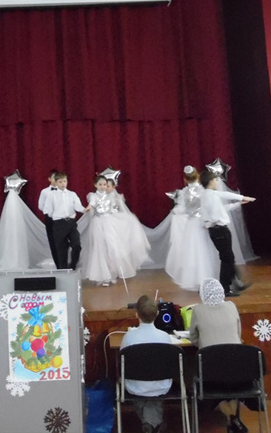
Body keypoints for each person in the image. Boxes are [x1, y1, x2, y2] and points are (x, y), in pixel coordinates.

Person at [188, 278, 247, 433]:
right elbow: (238, 334)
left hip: (211, 369)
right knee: (232, 387)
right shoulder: (232, 306)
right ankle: (233, 421)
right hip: (237, 367)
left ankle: (232, 419)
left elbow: (193, 338)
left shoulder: (198, 310)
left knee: (213, 387)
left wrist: (205, 345)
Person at [120, 295, 173, 433]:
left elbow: (122, 363)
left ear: (136, 314)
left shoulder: (128, 337)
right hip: (161, 386)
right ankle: (153, 423)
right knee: (153, 391)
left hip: (136, 387)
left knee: (141, 389)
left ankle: (150, 423)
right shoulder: (165, 337)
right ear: (157, 313)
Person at [199, 170, 255, 296]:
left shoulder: (208, 195)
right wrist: (242, 198)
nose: (216, 182)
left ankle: (235, 283)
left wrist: (239, 203)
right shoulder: (210, 196)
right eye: (215, 180)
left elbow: (222, 207)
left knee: (228, 257)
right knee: (227, 259)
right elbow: (223, 200)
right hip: (219, 229)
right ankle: (225, 287)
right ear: (210, 181)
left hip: (217, 229)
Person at [165, 166, 218, 291]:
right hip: (202, 223)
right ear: (198, 176)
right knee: (205, 249)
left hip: (191, 224)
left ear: (185, 179)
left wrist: (174, 211)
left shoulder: (184, 192)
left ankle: (196, 279)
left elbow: (182, 209)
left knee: (193, 251)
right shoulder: (203, 190)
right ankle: (207, 277)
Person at [82, 175, 128, 285]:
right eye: (100, 184)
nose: (103, 186)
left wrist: (119, 200)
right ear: (95, 185)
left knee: (111, 247)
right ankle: (103, 276)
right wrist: (89, 207)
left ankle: (112, 272)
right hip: (98, 223)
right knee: (100, 247)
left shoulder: (110, 196)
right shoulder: (93, 196)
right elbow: (92, 203)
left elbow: (114, 208)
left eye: (104, 184)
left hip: (108, 222)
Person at [43, 171, 85, 269]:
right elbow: (48, 210)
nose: (63, 184)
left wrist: (83, 210)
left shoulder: (72, 194)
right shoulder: (52, 196)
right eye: (60, 182)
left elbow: (77, 205)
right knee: (61, 249)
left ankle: (73, 265)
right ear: (56, 183)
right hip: (59, 223)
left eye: (64, 181)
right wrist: (57, 216)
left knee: (76, 245)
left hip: (71, 222)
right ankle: (63, 270)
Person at [38, 169, 60, 267]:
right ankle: (58, 264)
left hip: (62, 218)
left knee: (64, 241)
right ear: (49, 179)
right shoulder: (45, 192)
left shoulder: (63, 190)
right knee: (53, 241)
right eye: (54, 178)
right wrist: (49, 211)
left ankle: (65, 262)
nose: (56, 180)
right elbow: (41, 206)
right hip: (50, 219)